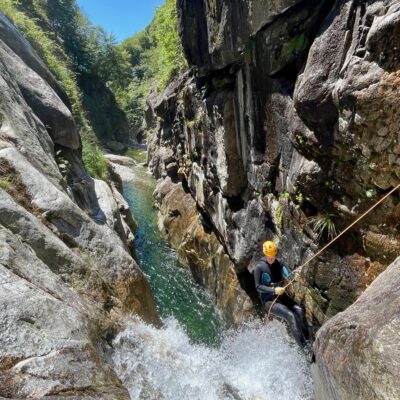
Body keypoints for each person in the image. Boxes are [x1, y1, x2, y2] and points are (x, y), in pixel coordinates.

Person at [254, 240, 312, 357]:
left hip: (281, 295)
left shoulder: (280, 262)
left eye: (273, 256)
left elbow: (289, 275)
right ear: (265, 255)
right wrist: (274, 290)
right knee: (290, 315)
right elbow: (258, 287)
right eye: (269, 257)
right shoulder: (259, 267)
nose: (271, 258)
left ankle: (307, 341)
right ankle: (304, 349)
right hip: (268, 301)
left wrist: (294, 277)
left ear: (275, 253)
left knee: (299, 310)